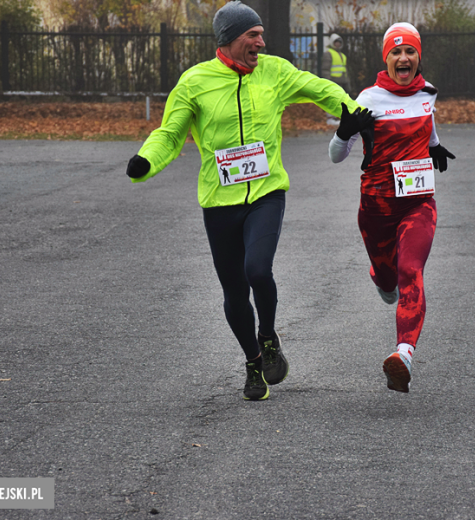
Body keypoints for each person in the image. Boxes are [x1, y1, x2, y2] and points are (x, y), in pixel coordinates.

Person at [125, 1, 362, 401]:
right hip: (219, 201)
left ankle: (268, 337)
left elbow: (319, 88)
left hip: (266, 192)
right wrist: (145, 161)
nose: (261, 42)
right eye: (252, 35)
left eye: (261, 34)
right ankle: (253, 362)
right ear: (230, 39)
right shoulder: (195, 82)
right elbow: (169, 133)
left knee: (257, 269)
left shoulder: (275, 72)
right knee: (234, 290)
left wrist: (353, 111)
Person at [328, 22, 455, 393]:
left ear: (418, 57)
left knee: (410, 270)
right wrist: (342, 132)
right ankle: (381, 278)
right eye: (396, 51)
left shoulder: (428, 94)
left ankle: (404, 354)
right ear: (387, 57)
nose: (404, 57)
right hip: (376, 209)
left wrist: (434, 147)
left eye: (410, 51)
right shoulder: (368, 98)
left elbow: (427, 131)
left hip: (418, 204)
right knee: (388, 280)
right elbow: (336, 157)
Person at [321, 33, 351, 125]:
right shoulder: (328, 54)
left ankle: (336, 117)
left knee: (340, 101)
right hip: (333, 81)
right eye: (335, 42)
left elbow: (344, 70)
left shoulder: (342, 55)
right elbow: (325, 69)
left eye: (339, 42)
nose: (337, 44)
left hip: (341, 81)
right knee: (332, 99)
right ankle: (330, 118)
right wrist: (328, 81)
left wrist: (347, 83)